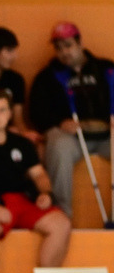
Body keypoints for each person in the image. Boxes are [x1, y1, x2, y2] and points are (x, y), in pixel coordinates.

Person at [0, 88, 71, 273]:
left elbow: (39, 175)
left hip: (23, 202)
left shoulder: (23, 144)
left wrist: (46, 193)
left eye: (2, 110)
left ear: (10, 114)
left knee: (61, 223)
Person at [28, 21, 114, 217]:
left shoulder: (106, 68)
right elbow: (37, 113)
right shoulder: (46, 77)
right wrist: (60, 122)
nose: (64, 52)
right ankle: (62, 213)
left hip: (106, 135)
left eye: (68, 46)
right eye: (59, 48)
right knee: (58, 145)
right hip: (71, 138)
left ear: (79, 43)